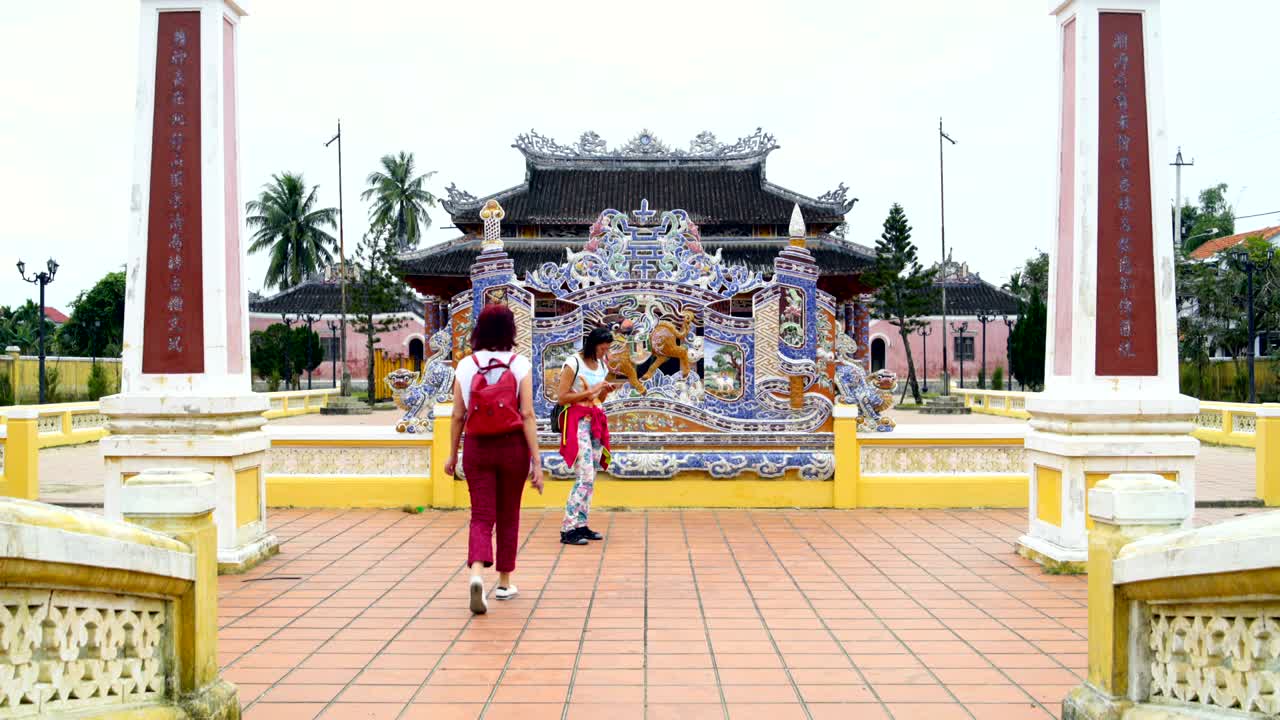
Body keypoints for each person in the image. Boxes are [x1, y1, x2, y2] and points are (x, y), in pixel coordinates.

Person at [444, 304, 544, 615]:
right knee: (509, 514)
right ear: (511, 330)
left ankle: (476, 574)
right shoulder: (520, 364)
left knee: (481, 515)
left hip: (477, 446)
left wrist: (452, 454)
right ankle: (504, 583)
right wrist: (537, 461)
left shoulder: (465, 365)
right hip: (513, 446)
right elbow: (527, 414)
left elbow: (458, 415)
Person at [556, 326, 617, 546]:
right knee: (585, 474)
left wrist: (604, 392)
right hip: (577, 421)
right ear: (592, 345)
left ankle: (581, 524)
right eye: (602, 349)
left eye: (607, 349)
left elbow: (598, 399)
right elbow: (562, 397)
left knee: (592, 474)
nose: (605, 353)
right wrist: (591, 391)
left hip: (594, 422)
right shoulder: (573, 363)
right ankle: (568, 527)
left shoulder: (601, 365)